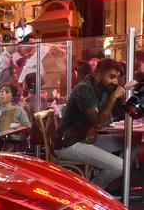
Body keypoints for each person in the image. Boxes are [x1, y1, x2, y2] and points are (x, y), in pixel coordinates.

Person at [55, 59, 128, 190]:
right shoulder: (84, 89)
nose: (115, 82)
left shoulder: (103, 87)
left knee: (129, 141)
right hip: (69, 143)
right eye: (112, 77)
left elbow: (107, 120)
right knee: (121, 166)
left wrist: (94, 128)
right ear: (98, 73)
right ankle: (90, 193)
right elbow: (100, 122)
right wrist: (113, 98)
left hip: (86, 138)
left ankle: (112, 185)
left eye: (117, 78)